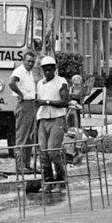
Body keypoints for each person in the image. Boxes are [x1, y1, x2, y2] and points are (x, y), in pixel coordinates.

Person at [35, 56, 70, 191]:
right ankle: (48, 181)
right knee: (43, 152)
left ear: (54, 69)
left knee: (53, 151)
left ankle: (61, 180)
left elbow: (65, 101)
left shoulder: (61, 82)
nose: (48, 72)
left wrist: (47, 102)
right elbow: (38, 103)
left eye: (50, 69)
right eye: (45, 70)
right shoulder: (39, 84)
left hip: (57, 118)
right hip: (43, 119)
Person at [8, 51, 38, 171]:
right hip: (24, 104)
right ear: (23, 61)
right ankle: (19, 166)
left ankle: (26, 164)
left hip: (31, 104)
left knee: (30, 136)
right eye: (28, 61)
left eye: (32, 62)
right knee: (22, 136)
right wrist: (20, 93)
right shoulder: (19, 71)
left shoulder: (29, 73)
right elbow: (11, 83)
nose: (30, 63)